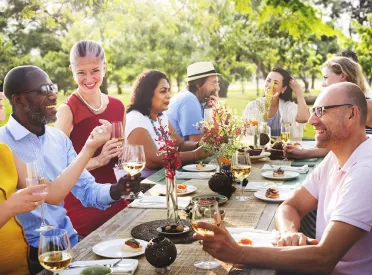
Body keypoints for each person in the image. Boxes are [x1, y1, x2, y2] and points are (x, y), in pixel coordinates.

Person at [194, 82, 372, 274]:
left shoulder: (365, 172)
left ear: (351, 114)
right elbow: (290, 206)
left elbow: (324, 259)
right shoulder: (336, 156)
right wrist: (288, 233)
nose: (311, 120)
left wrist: (238, 253)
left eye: (321, 111)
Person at [0, 65, 140, 273]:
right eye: (44, 90)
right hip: (30, 257)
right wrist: (90, 148)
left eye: (52, 88)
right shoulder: (4, 144)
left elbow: (86, 189)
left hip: (71, 245)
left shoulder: (59, 140)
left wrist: (116, 190)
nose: (53, 95)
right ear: (18, 99)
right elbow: (53, 194)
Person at [55, 40, 129, 237]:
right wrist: (99, 160)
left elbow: (122, 159)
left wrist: (123, 155)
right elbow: (57, 171)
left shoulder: (118, 106)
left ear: (105, 67)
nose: (89, 78)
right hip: (82, 207)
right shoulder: (67, 111)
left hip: (117, 197)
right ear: (72, 70)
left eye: (95, 70)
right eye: (81, 72)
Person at [125, 70, 209, 177]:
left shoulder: (161, 116)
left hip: (164, 176)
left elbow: (180, 145)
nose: (169, 95)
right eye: (163, 91)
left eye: (169, 90)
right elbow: (153, 160)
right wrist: (195, 154)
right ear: (148, 94)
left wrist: (202, 145)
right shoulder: (136, 119)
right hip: (141, 183)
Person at [286, 56, 372, 159]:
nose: (322, 83)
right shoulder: (339, 106)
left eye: (326, 77)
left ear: (343, 76)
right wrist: (305, 153)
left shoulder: (367, 106)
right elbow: (336, 145)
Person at [243, 68, 309, 136]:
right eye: (268, 81)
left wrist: (299, 92)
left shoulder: (287, 107)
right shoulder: (252, 106)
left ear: (283, 88)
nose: (270, 85)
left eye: (275, 83)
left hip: (284, 146)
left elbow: (304, 118)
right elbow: (246, 134)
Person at [167, 61, 220, 141]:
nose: (217, 88)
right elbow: (199, 144)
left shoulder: (198, 100)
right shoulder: (189, 100)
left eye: (217, 83)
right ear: (198, 85)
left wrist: (209, 111)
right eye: (213, 83)